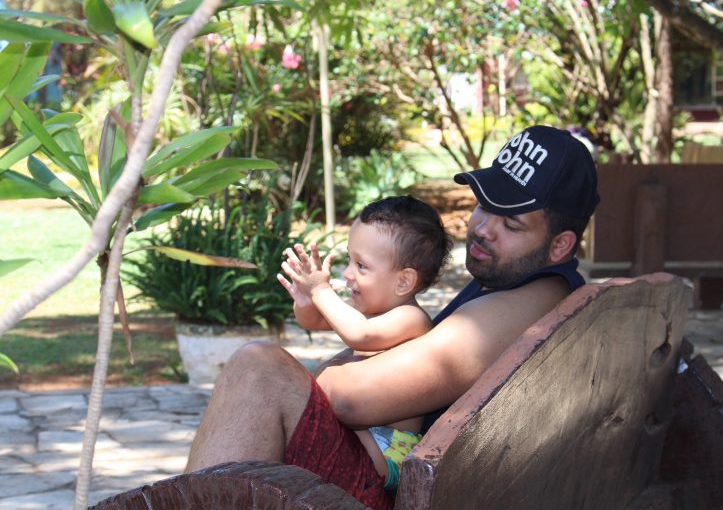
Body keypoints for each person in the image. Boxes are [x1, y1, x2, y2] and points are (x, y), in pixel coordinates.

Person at [185, 125, 600, 510]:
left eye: (510, 223)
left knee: (259, 371)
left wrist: (311, 377)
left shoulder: (532, 302)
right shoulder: (513, 283)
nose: (482, 227)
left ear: (560, 245)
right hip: (420, 484)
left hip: (396, 494)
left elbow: (352, 398)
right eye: (482, 205)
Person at [275, 195, 452, 491]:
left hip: (388, 447)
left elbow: (359, 335)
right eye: (349, 260)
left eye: (361, 265)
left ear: (403, 281)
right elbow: (315, 321)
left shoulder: (411, 317)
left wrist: (321, 291)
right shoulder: (367, 309)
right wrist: (306, 301)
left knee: (304, 434)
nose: (347, 274)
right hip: (365, 433)